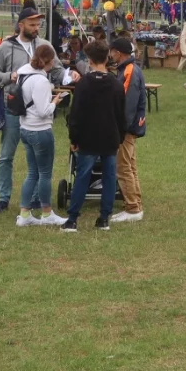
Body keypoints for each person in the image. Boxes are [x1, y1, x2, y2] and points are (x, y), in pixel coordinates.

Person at [0, 7, 73, 214]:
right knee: (6, 156)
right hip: (13, 108)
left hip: (37, 112)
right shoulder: (6, 47)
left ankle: (35, 198)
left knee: (35, 158)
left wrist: (69, 76)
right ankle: (3, 198)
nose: (36, 29)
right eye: (32, 25)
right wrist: (11, 76)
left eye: (38, 25)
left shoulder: (44, 45)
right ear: (21, 25)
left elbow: (57, 69)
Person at [63, 39, 126, 233]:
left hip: (88, 138)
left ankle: (73, 218)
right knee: (109, 178)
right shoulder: (116, 85)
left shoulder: (83, 85)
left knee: (82, 176)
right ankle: (104, 218)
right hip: (110, 137)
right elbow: (121, 115)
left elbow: (76, 115)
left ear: (89, 59)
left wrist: (74, 138)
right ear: (106, 58)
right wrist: (120, 137)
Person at [13, 43, 67, 228]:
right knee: (45, 173)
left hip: (25, 128)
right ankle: (46, 213)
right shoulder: (42, 81)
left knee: (32, 173)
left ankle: (25, 213)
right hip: (40, 129)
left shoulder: (23, 75)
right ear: (50, 61)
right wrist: (55, 101)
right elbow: (44, 111)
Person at [109, 38, 146, 224]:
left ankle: (133, 208)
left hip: (126, 128)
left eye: (112, 51)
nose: (110, 55)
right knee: (130, 166)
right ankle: (134, 203)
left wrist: (120, 128)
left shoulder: (130, 71)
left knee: (123, 168)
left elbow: (128, 104)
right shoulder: (126, 69)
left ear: (118, 52)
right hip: (129, 126)